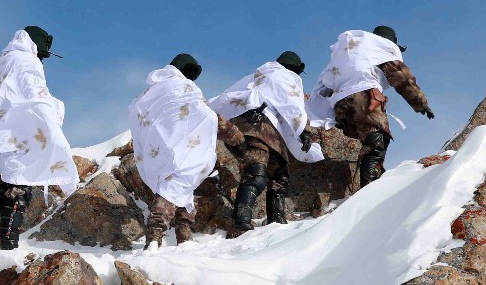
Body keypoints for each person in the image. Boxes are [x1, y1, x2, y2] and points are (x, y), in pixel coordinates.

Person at [0, 26, 79, 250]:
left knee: (8, 189)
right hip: (16, 140)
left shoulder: (0, 61)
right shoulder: (27, 61)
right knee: (19, 192)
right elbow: (34, 96)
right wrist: (52, 123)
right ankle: (8, 245)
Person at [208, 51, 325, 232]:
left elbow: (224, 100)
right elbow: (292, 105)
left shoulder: (256, 76)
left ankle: (276, 224)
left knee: (278, 173)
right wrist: (304, 131)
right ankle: (241, 220)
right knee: (257, 171)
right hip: (257, 125)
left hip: (255, 127)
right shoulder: (282, 76)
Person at [307, 25, 433, 186]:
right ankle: (370, 191)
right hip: (365, 98)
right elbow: (402, 78)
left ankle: (374, 178)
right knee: (375, 143)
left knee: (373, 141)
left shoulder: (349, 51)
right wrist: (420, 103)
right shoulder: (381, 48)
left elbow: (324, 83)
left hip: (341, 105)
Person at [128, 53, 224, 250]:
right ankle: (154, 240)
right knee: (177, 184)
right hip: (180, 147)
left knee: (182, 188)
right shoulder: (184, 87)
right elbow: (204, 114)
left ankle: (184, 240)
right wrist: (235, 136)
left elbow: (137, 113)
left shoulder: (150, 90)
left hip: (156, 147)